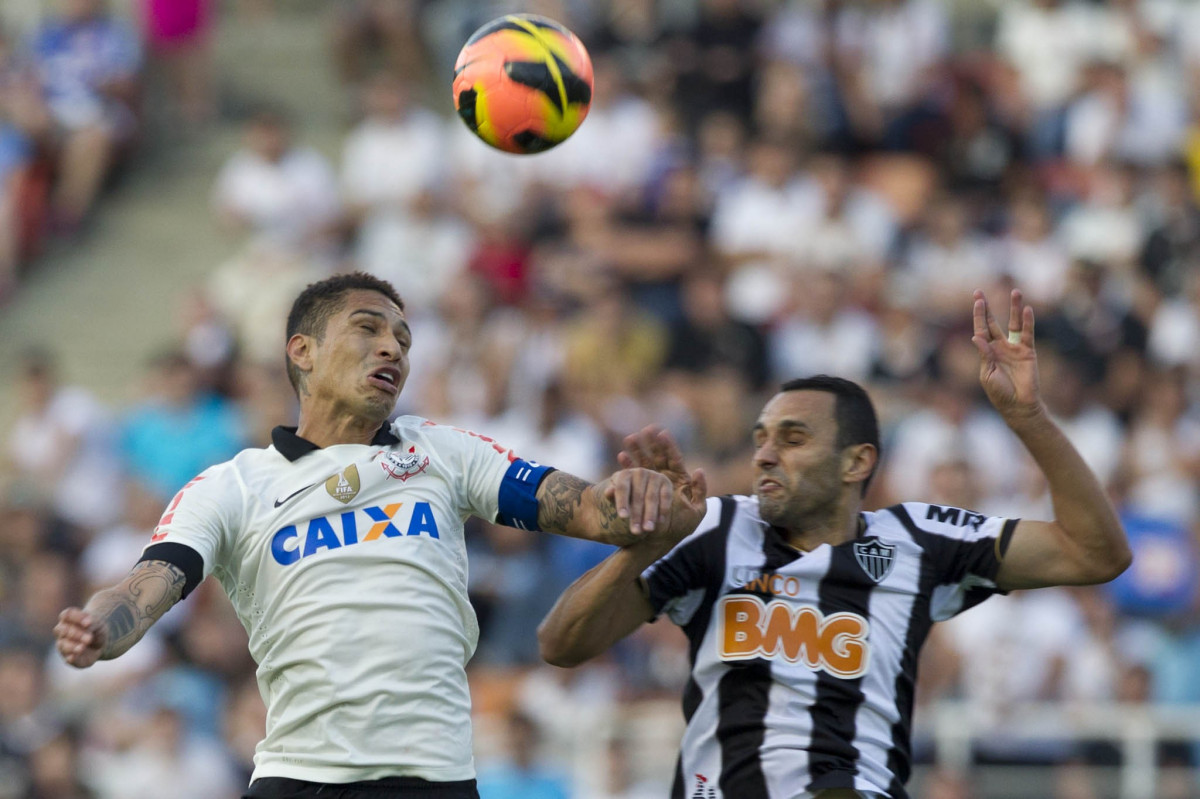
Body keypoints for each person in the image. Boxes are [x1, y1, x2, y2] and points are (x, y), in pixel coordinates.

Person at [53, 271, 686, 799]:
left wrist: (645, 495)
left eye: (404, 340)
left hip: (432, 777)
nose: (394, 349)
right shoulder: (231, 486)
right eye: (369, 329)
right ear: (301, 351)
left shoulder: (444, 452)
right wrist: (100, 628)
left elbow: (588, 511)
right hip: (299, 777)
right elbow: (144, 587)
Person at [538, 289, 1132, 799]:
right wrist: (646, 546)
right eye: (761, 437)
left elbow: (1096, 554)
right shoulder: (715, 528)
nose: (765, 453)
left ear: (857, 462)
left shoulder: (921, 540)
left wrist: (1028, 418)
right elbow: (561, 644)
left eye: (793, 438)